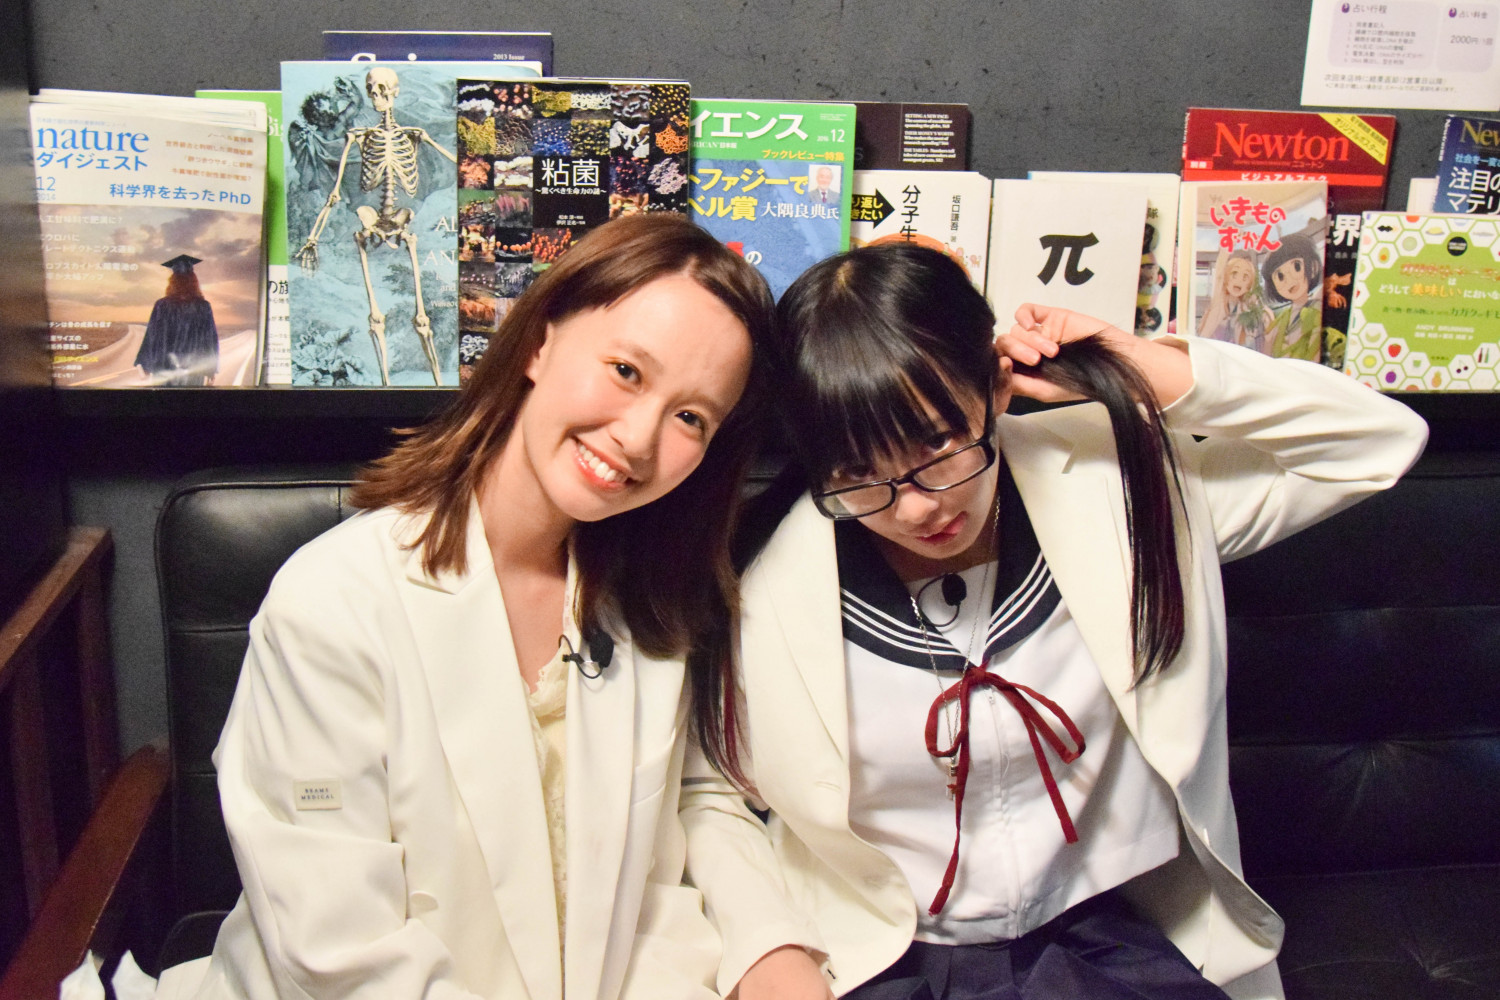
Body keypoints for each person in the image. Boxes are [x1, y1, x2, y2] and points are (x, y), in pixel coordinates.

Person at [680, 244, 1427, 1000]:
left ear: (997, 385)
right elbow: (710, 790)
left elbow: (1375, 442)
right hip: (874, 955)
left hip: (1104, 939)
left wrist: (1143, 369)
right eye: (858, 473)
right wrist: (769, 949)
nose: (916, 507)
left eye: (939, 444)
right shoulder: (761, 581)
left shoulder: (1124, 486)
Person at [154, 213, 775, 1000]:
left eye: (692, 417)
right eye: (626, 371)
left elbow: (651, 896)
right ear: (540, 342)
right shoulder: (335, 601)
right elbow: (340, 956)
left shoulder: (645, 610)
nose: (640, 437)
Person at [135, 254, 220, 386]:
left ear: (172, 282)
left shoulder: (162, 305)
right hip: (192, 370)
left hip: (164, 369)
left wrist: (146, 366)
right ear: (194, 281)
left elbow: (152, 336)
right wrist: (211, 370)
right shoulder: (203, 307)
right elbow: (209, 339)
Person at [1196, 248, 1272, 353]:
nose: (1239, 280)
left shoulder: (1244, 308)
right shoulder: (1219, 304)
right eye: (1234, 274)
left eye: (1245, 277)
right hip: (1208, 352)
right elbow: (1219, 274)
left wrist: (1266, 315)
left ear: (1248, 286)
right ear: (1226, 279)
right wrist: (1226, 248)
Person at [1262, 234, 1323, 362]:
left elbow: (1314, 357)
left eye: (1296, 267)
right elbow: (1266, 357)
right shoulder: (1281, 319)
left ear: (1313, 267)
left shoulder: (1317, 313)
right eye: (1280, 276)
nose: (1289, 280)